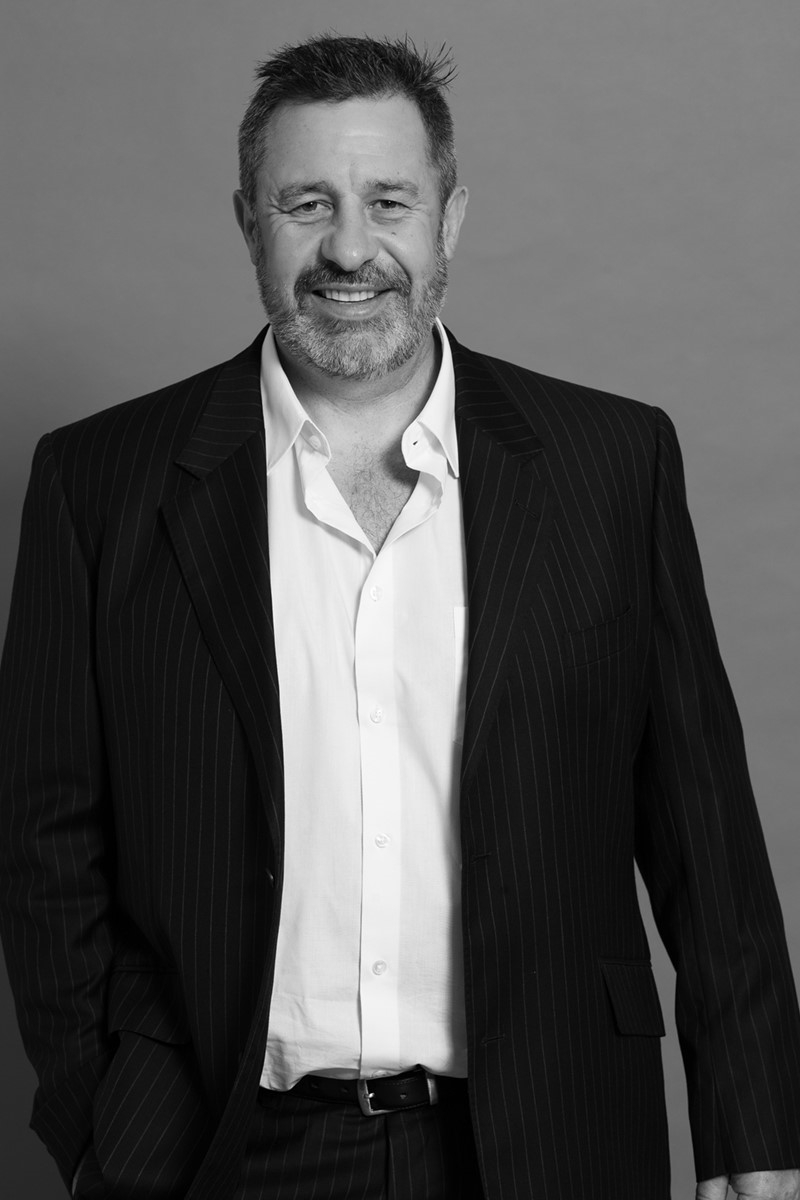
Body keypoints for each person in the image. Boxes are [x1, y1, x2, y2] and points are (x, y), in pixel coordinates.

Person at [1, 33, 798, 1200]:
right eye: (306, 204)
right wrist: (95, 1119)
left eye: (388, 202)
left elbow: (704, 835)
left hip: (549, 1139)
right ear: (248, 222)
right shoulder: (99, 484)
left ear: (448, 219)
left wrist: (754, 1125)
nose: (348, 249)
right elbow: (44, 843)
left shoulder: (609, 465)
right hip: (213, 1151)